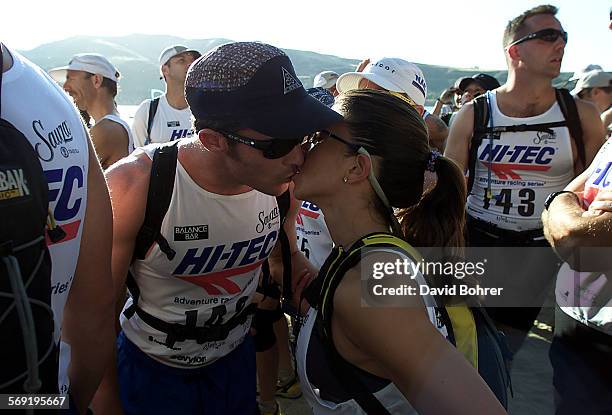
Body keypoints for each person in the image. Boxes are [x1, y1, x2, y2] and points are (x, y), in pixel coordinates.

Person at [97, 41, 341, 415]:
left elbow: (283, 259)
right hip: (151, 370)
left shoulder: (282, 186)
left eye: (303, 136)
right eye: (279, 143)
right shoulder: (135, 187)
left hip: (234, 362)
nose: (298, 157)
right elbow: (95, 317)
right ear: (213, 141)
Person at [292, 89, 506, 414]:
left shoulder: (374, 283)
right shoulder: (360, 257)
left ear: (356, 168)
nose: (304, 146)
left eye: (321, 137)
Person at [444, 4, 604, 355]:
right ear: (514, 50)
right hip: (478, 240)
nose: (560, 45)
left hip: (537, 250)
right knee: (459, 337)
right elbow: (449, 190)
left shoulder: (582, 117)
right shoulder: (474, 114)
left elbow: (594, 194)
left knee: (504, 347)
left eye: (563, 37)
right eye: (548, 36)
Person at [1, 44, 115, 414]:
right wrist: (72, 403)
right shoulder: (54, 103)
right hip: (41, 387)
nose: (67, 83)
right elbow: (94, 305)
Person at [542, 139, 612, 414]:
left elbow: (574, 238)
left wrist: (564, 209)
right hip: (576, 316)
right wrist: (561, 205)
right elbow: (560, 205)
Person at [336, 57, 449, 151]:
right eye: (358, 94)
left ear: (416, 112)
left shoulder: (424, 172)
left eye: (378, 96)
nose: (362, 103)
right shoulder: (337, 142)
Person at [50, 53, 134, 170]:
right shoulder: (110, 125)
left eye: (71, 79)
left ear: (96, 80)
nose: (65, 87)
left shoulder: (107, 130)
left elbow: (63, 170)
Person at [132, 45, 201, 147]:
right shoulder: (148, 110)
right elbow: (138, 156)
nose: (190, 64)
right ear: (165, 70)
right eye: (182, 61)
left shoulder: (204, 109)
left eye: (193, 61)